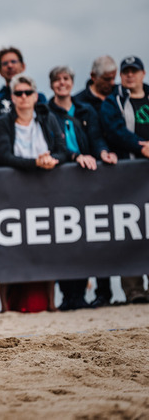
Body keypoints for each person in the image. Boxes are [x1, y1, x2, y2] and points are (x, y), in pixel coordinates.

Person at [0, 74, 69, 313]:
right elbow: (3, 157)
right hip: (12, 190)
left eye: (28, 93)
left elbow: (63, 151)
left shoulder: (48, 118)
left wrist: (52, 160)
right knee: (8, 246)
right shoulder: (3, 123)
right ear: (12, 97)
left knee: (46, 244)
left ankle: (51, 302)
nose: (23, 97)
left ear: (36, 96)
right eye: (18, 93)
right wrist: (35, 163)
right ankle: (4, 306)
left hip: (45, 190)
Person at [47, 65, 119, 310]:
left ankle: (99, 293)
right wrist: (74, 156)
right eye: (57, 79)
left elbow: (97, 137)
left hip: (87, 178)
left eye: (66, 78)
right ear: (52, 84)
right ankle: (70, 295)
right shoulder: (46, 111)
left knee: (93, 237)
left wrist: (103, 152)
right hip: (60, 180)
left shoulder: (85, 109)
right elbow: (53, 144)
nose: (62, 83)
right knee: (64, 240)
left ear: (72, 81)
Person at [100, 56, 149, 304]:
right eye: (126, 71)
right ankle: (134, 289)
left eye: (134, 71)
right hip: (127, 175)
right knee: (129, 229)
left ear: (143, 73)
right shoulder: (114, 100)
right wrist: (141, 148)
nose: (130, 75)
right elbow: (113, 130)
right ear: (120, 75)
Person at [73, 56, 119, 307]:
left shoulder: (119, 96)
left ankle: (110, 291)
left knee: (110, 234)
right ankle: (84, 293)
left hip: (115, 171)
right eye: (107, 79)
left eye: (114, 78)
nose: (112, 83)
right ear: (93, 77)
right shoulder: (79, 102)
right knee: (87, 235)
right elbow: (93, 135)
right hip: (84, 174)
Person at [0, 47, 47, 132]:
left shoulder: (39, 98)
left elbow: (47, 126)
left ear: (23, 66)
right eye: (5, 63)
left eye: (13, 61)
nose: (10, 66)